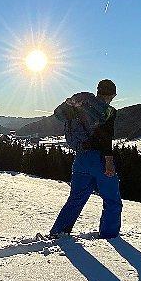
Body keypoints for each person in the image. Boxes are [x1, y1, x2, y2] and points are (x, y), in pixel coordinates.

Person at [48, 79, 122, 239]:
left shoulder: (81, 105)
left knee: (76, 198)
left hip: (81, 159)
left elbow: (58, 114)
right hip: (99, 159)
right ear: (113, 94)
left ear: (97, 91)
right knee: (112, 200)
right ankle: (109, 235)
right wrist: (108, 162)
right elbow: (106, 137)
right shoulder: (108, 111)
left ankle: (59, 232)